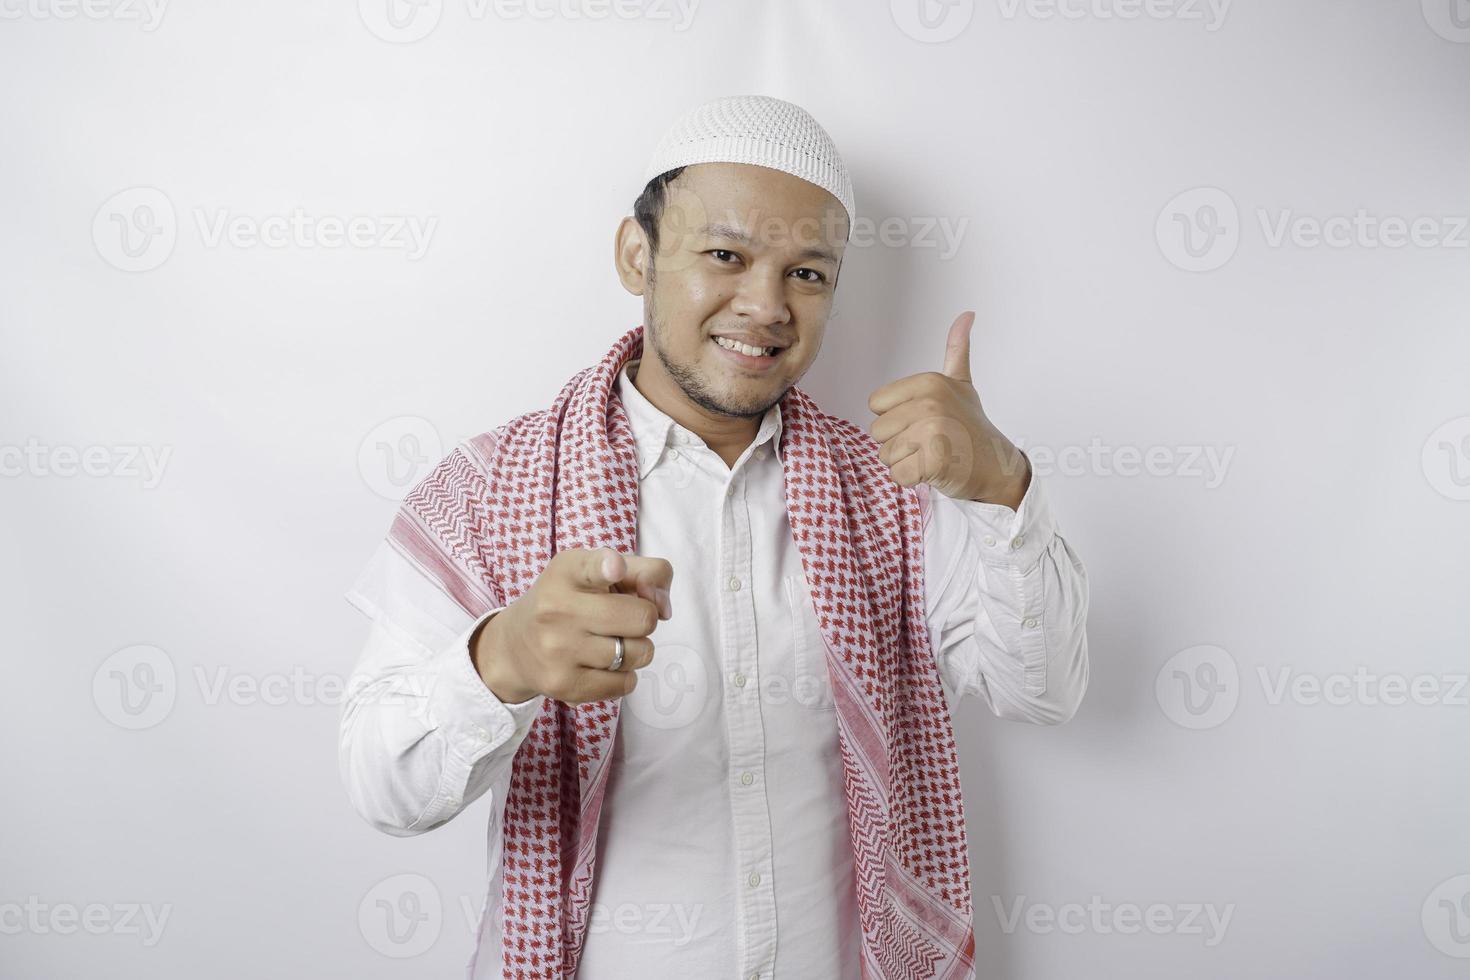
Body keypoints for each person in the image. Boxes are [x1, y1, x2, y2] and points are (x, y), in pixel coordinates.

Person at [339, 94, 1090, 980]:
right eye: (725, 255)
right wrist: (503, 657)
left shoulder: (894, 491)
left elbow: (1043, 693)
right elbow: (383, 793)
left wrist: (1000, 488)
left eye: (807, 274)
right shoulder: (488, 490)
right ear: (637, 254)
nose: (766, 306)